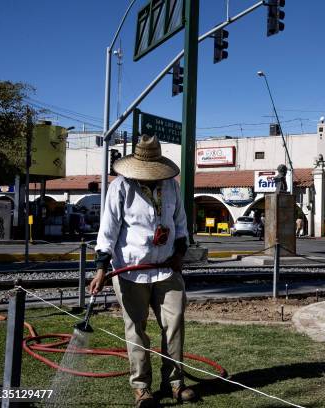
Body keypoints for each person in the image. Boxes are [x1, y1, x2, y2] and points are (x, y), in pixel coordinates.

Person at [89, 135, 195, 408]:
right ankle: (142, 388)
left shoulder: (171, 186)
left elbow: (180, 223)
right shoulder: (121, 187)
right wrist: (101, 268)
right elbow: (108, 229)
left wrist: (180, 253)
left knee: (174, 324)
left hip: (166, 269)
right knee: (136, 329)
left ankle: (174, 382)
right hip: (130, 271)